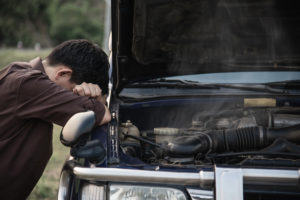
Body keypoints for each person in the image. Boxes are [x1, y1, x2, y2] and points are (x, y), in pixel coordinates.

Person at [0, 39, 111, 199]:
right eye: (75, 93)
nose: (72, 99)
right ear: (63, 74)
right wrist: (97, 100)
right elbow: (102, 114)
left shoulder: (20, 71)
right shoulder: (29, 84)